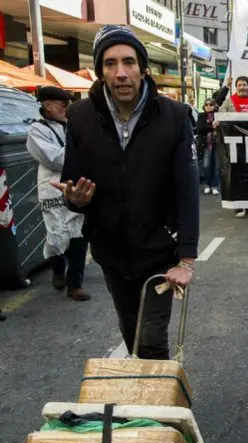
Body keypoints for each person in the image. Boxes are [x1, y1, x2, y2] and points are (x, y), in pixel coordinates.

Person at [55, 25, 199, 359]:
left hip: (159, 248)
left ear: (143, 67)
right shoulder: (79, 116)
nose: (121, 73)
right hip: (110, 249)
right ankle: (143, 399)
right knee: (130, 328)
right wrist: (74, 201)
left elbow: (188, 191)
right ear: (100, 70)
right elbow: (71, 184)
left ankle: (157, 408)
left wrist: (187, 259)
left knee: (151, 338)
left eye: (129, 62)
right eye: (110, 63)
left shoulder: (175, 117)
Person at [26, 86, 90, 301]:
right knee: (57, 235)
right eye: (63, 105)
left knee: (79, 235)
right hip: (52, 190)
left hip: (75, 187)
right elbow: (52, 158)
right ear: (48, 106)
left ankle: (75, 284)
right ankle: (57, 269)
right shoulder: (37, 130)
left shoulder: (72, 126)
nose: (66, 109)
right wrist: (80, 154)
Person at [217, 76, 248, 218]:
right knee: (237, 174)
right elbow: (219, 115)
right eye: (239, 85)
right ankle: (238, 205)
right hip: (235, 144)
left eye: (245, 85)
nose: (242, 87)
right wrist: (217, 122)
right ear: (236, 87)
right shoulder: (228, 102)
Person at [196, 98, 220, 195]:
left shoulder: (218, 116)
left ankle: (215, 185)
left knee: (216, 167)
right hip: (206, 145)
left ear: (214, 106)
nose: (208, 106)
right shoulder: (201, 116)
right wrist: (212, 127)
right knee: (206, 165)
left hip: (218, 144)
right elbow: (200, 129)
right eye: (206, 105)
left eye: (210, 104)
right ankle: (207, 184)